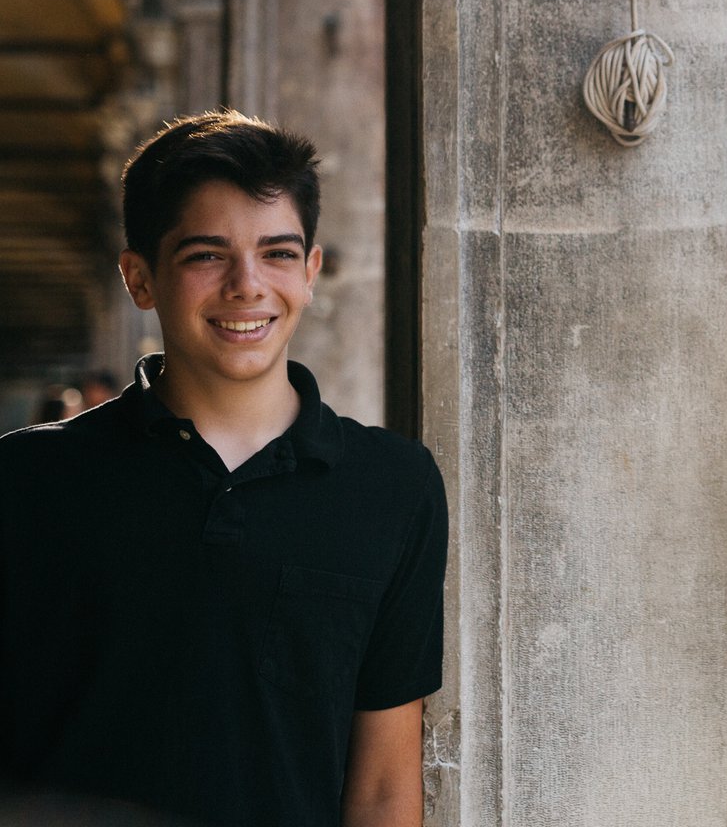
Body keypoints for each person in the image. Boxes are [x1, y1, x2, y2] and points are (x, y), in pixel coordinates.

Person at [0, 111, 448, 827]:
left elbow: (385, 788)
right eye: (207, 255)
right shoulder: (25, 481)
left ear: (310, 272)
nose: (247, 285)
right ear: (139, 278)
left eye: (276, 254)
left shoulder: (392, 488)